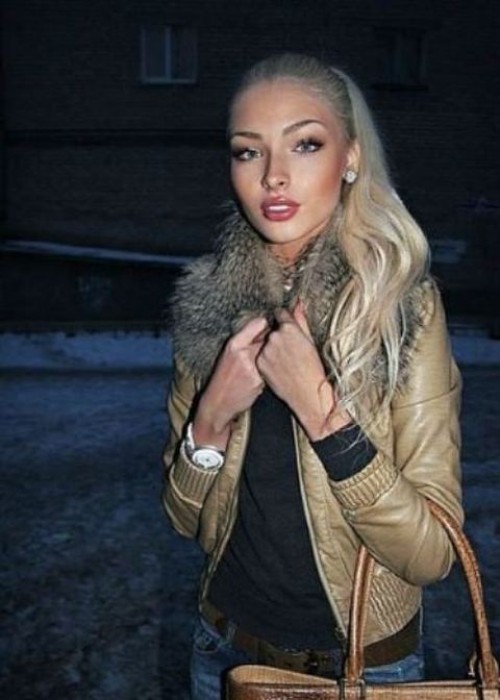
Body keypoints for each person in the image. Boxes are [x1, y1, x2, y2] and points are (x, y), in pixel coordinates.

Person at [162, 53, 462, 700]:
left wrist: (324, 416)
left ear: (350, 157)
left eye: (305, 144)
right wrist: (211, 418)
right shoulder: (211, 305)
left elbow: (432, 553)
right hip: (223, 653)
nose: (273, 175)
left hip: (362, 668)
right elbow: (184, 518)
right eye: (248, 152)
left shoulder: (402, 307)